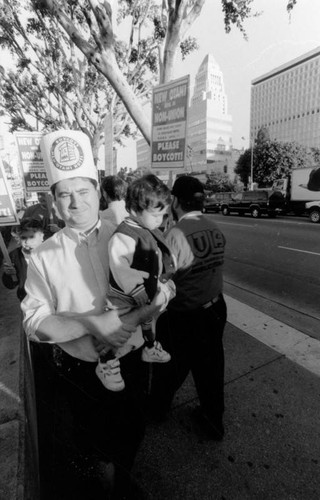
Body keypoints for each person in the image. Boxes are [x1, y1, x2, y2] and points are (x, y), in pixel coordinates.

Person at [21, 130, 169, 500]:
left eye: (83, 191)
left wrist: (163, 295)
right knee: (92, 442)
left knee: (133, 427)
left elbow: (159, 284)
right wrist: (91, 323)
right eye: (65, 194)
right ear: (54, 203)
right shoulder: (43, 255)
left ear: (96, 193)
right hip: (80, 373)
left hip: (132, 361)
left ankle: (122, 473)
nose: (75, 202)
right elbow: (34, 323)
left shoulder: (126, 235)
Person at [149, 175, 227, 441]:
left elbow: (162, 280)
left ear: (174, 201)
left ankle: (158, 410)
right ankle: (213, 422)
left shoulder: (174, 235)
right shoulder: (215, 227)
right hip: (216, 307)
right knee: (212, 369)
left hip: (186, 315)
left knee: (169, 367)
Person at [96, 174, 176, 391]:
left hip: (146, 290)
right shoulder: (124, 234)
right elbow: (119, 265)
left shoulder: (147, 229)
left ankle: (150, 347)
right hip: (124, 296)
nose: (160, 220)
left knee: (148, 322)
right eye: (156, 214)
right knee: (119, 329)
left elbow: (156, 256)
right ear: (134, 209)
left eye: (163, 214)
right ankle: (106, 361)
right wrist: (137, 287)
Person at [2, 218, 44, 301]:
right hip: (26, 299)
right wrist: (9, 274)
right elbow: (10, 285)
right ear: (18, 239)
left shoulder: (51, 253)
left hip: (50, 300)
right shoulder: (14, 255)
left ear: (42, 236)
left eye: (32, 237)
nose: (27, 242)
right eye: (23, 238)